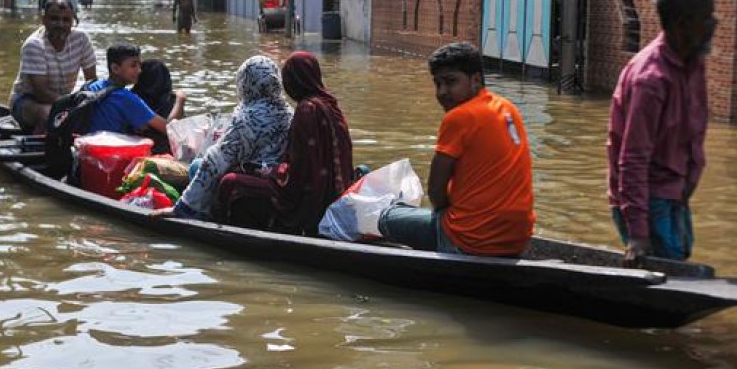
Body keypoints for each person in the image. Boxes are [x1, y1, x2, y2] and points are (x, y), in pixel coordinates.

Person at [378, 42, 535, 256]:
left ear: (476, 80)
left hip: (469, 240)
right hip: (518, 238)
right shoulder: (508, 109)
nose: (442, 92)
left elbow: (436, 192)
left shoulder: (458, 117)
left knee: (386, 217)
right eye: (438, 83)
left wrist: (445, 212)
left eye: (451, 82)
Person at [609, 0, 716, 266]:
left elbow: (695, 133)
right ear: (682, 24)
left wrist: (687, 184)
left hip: (675, 191)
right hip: (648, 196)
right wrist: (638, 234)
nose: (714, 24)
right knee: (667, 267)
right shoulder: (651, 80)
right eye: (706, 18)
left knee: (680, 257)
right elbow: (632, 159)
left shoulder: (693, 63)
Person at [214, 51, 354, 235]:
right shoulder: (332, 105)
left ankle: (227, 232)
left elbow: (298, 175)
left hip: (307, 203)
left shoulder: (307, 110)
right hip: (335, 194)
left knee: (229, 182)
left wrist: (263, 171)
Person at [153, 55, 292, 220]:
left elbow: (216, 160)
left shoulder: (248, 118)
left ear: (244, 83)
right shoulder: (288, 112)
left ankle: (199, 213)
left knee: (197, 165)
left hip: (255, 177)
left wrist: (182, 207)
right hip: (274, 177)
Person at [8, 0, 98, 134]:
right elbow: (41, 93)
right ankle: (39, 145)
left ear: (73, 21)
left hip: (62, 100)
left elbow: (92, 81)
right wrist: (73, 106)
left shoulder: (81, 39)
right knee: (48, 114)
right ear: (44, 20)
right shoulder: (34, 45)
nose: (60, 25)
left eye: (66, 20)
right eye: (54, 19)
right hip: (27, 101)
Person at [85, 43, 183, 137]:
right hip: (107, 149)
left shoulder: (93, 86)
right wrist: (180, 100)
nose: (139, 71)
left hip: (87, 141)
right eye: (133, 66)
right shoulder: (126, 98)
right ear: (115, 68)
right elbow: (170, 130)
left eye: (139, 65)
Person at [131, 58, 187, 153]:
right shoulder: (171, 100)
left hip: (136, 149)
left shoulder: (131, 97)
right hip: (163, 152)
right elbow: (171, 129)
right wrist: (180, 101)